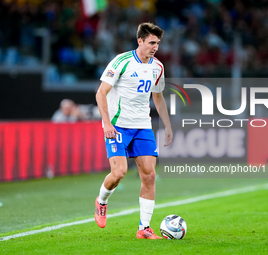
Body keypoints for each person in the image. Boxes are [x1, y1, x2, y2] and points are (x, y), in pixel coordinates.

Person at [95, 22, 173, 239]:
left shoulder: (158, 67)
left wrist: (167, 124)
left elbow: (158, 96)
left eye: (157, 43)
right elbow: (101, 94)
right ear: (140, 41)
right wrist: (107, 123)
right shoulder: (122, 61)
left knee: (149, 175)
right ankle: (102, 200)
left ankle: (144, 228)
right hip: (118, 125)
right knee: (119, 172)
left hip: (142, 126)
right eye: (151, 42)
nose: (155, 47)